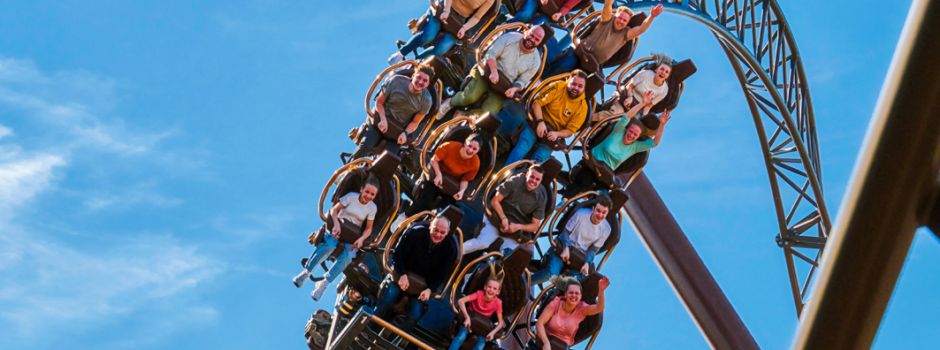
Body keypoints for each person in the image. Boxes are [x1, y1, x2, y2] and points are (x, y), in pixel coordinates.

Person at [563, 91, 669, 197]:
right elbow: (627, 117)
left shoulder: (635, 147)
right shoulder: (619, 130)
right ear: (627, 129)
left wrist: (662, 125)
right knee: (586, 180)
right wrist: (642, 103)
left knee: (603, 196)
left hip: (604, 174)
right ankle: (565, 199)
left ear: (637, 138)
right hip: (592, 163)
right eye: (631, 131)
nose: (631, 135)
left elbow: (655, 143)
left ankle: (592, 204)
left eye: (635, 135)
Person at [293, 176, 381, 301]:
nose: (368, 196)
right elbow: (334, 210)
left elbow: (368, 229)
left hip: (352, 236)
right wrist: (336, 224)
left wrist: (361, 239)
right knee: (330, 245)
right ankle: (306, 272)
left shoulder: (372, 208)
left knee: (348, 256)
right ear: (361, 189)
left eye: (372, 194)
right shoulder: (351, 197)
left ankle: (324, 284)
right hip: (338, 228)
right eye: (367, 192)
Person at [439, 24, 546, 118]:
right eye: (531, 35)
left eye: (537, 39)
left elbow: (522, 81)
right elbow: (491, 54)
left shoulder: (536, 61)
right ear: (526, 31)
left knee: (489, 114)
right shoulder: (510, 37)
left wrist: (514, 89)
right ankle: (450, 102)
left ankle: (464, 116)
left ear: (540, 43)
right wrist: (494, 71)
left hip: (502, 88)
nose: (532, 40)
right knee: (470, 97)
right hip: (486, 72)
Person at [374, 215, 459, 331]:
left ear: (447, 232)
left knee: (415, 314)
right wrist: (402, 274)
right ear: (430, 226)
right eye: (435, 230)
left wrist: (430, 289)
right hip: (400, 278)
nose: (438, 234)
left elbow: (441, 274)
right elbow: (398, 255)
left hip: (420, 290)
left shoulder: (450, 248)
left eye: (442, 232)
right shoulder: (416, 233)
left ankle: (393, 339)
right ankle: (369, 327)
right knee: (389, 297)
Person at [544, 0, 663, 77]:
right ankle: (541, 81)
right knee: (564, 65)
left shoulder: (626, 33)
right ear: (615, 15)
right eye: (620, 18)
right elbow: (608, 5)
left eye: (624, 20)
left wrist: (652, 16)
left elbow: (641, 29)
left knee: (583, 82)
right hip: (579, 52)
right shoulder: (607, 20)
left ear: (627, 23)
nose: (621, 21)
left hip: (591, 65)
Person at [351, 63, 435, 160]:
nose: (420, 82)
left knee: (389, 160)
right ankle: (349, 167)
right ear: (413, 76)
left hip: (396, 133)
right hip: (380, 122)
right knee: (365, 146)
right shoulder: (397, 81)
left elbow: (415, 122)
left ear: (428, 84)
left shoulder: (426, 100)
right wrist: (383, 119)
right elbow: (379, 102)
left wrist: (405, 133)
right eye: (419, 77)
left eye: (425, 80)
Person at [505, 70, 588, 164]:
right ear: (568, 81)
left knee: (539, 161)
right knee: (521, 149)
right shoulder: (557, 86)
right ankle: (505, 172)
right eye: (573, 84)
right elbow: (537, 103)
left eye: (580, 86)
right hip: (537, 123)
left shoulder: (583, 108)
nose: (576, 88)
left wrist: (557, 134)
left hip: (552, 136)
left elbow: (570, 131)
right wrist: (540, 122)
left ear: (584, 88)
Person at [463, 164, 547, 254]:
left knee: (513, 255)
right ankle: (456, 251)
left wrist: (518, 227)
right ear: (526, 174)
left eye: (537, 179)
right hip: (497, 218)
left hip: (514, 232)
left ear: (540, 181)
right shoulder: (516, 180)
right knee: (482, 243)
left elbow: (535, 226)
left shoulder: (541, 197)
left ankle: (487, 262)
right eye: (532, 177)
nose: (533, 181)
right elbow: (495, 201)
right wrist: (503, 218)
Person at [531, 195, 612, 285]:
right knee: (551, 274)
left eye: (604, 212)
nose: (600, 215)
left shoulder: (606, 229)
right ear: (593, 209)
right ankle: (524, 283)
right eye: (598, 211)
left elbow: (593, 249)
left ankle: (558, 290)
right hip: (564, 247)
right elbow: (565, 232)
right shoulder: (581, 214)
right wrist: (566, 248)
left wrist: (587, 263)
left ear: (607, 213)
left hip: (578, 258)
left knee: (580, 282)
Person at [388, 0, 496, 64]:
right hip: (445, 7)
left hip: (458, 22)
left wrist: (464, 28)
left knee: (441, 49)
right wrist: (446, 10)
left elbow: (477, 17)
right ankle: (401, 53)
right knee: (428, 35)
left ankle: (416, 62)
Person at [406, 133, 482, 216]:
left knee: (445, 211)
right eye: (469, 146)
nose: (470, 150)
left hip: (449, 188)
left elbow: (465, 179)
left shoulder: (475, 162)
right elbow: (434, 160)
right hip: (436, 178)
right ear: (465, 143)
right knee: (424, 201)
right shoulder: (449, 146)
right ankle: (407, 216)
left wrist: (461, 191)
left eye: (474, 149)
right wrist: (438, 174)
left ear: (478, 150)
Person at [534, 276, 609, 350]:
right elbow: (539, 323)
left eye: (577, 293)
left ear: (580, 297)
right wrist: (546, 343)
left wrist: (601, 290)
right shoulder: (556, 303)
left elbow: (599, 308)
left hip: (562, 347)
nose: (573, 295)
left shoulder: (582, 309)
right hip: (545, 341)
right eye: (571, 293)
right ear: (565, 295)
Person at [449, 268, 505, 350]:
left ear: (498, 292)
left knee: (480, 346)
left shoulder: (498, 302)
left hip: (482, 327)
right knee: (461, 337)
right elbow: (461, 301)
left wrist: (492, 333)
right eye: (489, 287)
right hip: (470, 320)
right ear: (485, 287)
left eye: (494, 289)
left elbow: (501, 322)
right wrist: (467, 317)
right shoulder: (479, 294)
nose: (491, 290)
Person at [507, 0, 587, 24]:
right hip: (537, 1)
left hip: (550, 11)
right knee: (526, 15)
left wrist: (560, 13)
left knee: (539, 25)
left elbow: (568, 6)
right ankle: (506, 29)